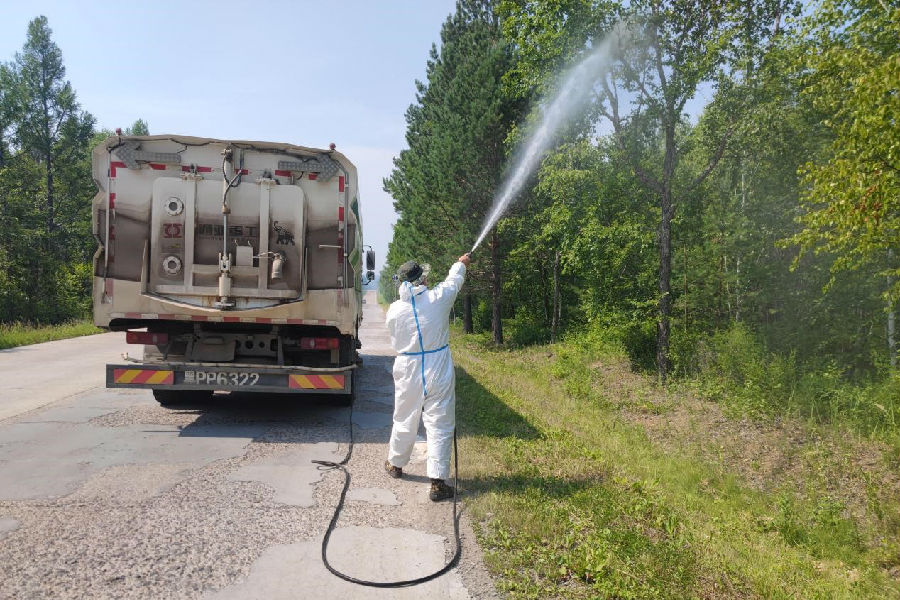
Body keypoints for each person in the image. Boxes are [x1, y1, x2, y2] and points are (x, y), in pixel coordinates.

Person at [384, 254, 471, 501]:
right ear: (422, 279)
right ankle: (438, 483)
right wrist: (461, 263)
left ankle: (395, 464)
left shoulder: (394, 310)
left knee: (404, 417)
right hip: (437, 366)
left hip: (407, 367)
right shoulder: (437, 299)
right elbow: (453, 281)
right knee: (440, 423)